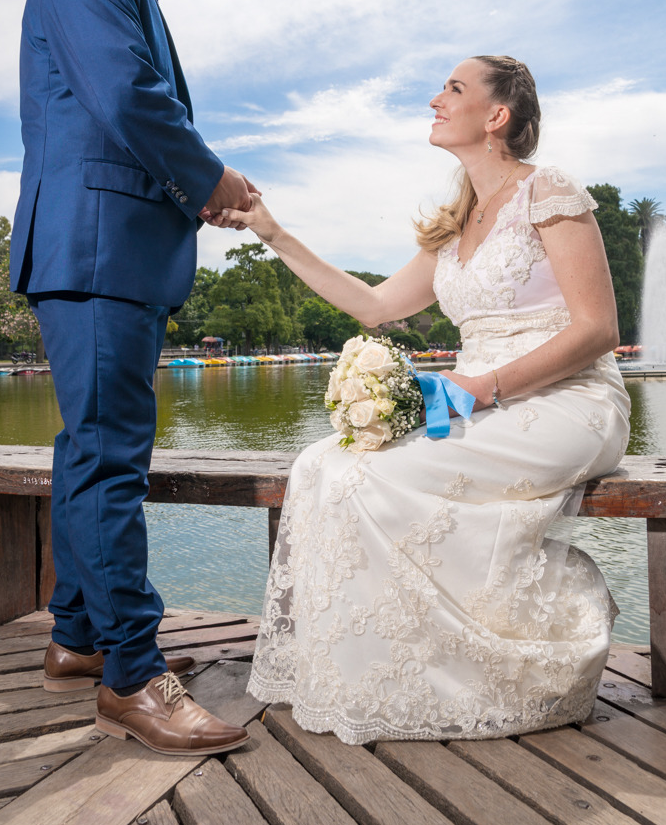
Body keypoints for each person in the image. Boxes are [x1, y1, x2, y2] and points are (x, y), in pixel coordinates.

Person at [215, 55, 631, 743]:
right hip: (478, 401)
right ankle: (380, 669)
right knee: (322, 467)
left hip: (567, 399)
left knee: (370, 477)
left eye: (455, 89)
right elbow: (374, 306)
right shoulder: (454, 228)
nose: (436, 99)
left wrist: (485, 385)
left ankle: (502, 656)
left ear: (497, 116)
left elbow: (598, 328)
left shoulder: (548, 193)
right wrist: (272, 231)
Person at [9, 0, 252, 756]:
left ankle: (79, 639)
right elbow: (126, 97)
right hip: (97, 252)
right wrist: (211, 179)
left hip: (107, 254)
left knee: (88, 453)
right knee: (112, 462)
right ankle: (135, 678)